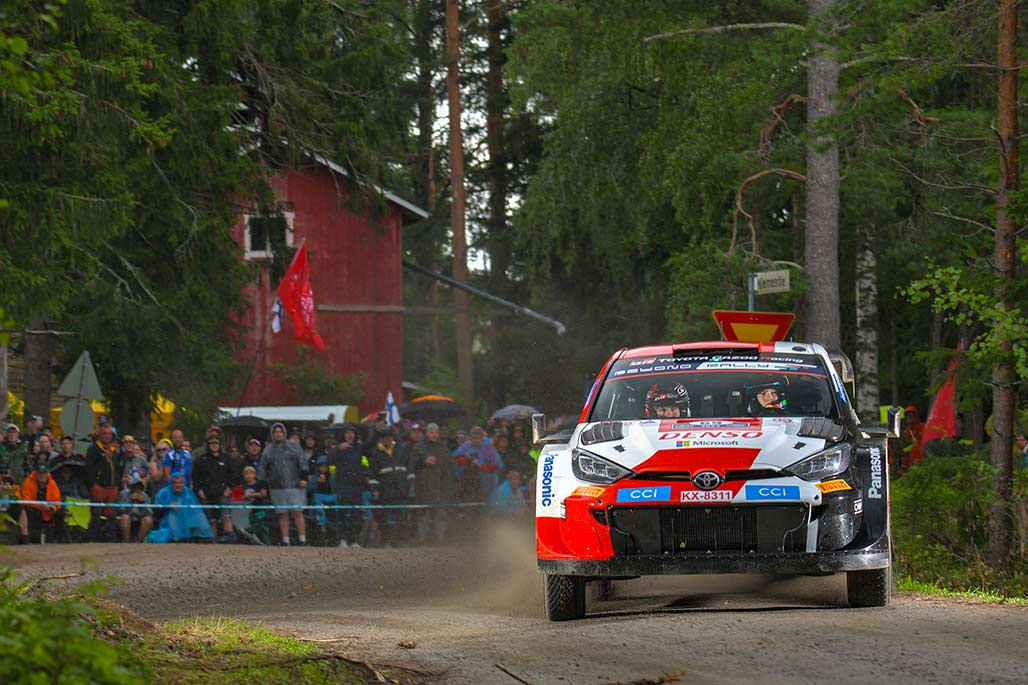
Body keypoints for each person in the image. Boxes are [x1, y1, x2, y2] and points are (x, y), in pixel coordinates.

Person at [258, 422, 308, 546]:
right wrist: (263, 485)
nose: (278, 434)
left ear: (284, 433)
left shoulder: (294, 446)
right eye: (275, 432)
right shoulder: (268, 450)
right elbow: (262, 469)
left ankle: (302, 539)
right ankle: (285, 540)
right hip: (276, 487)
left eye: (280, 431)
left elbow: (303, 463)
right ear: (272, 434)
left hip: (295, 485)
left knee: (298, 512)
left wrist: (303, 478)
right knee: (282, 514)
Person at [409, 422, 454, 545]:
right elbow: (412, 464)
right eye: (431, 432)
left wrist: (448, 486)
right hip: (423, 487)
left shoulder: (444, 448)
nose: (434, 435)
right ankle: (423, 540)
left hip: (440, 487)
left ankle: (439, 541)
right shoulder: (418, 447)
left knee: (440, 515)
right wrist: (424, 461)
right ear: (427, 433)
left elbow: (449, 467)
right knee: (423, 515)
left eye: (436, 432)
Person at [366, 427, 412, 546]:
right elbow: (372, 474)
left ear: (392, 438)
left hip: (400, 490)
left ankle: (401, 541)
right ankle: (386, 541)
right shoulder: (376, 453)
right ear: (381, 439)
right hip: (384, 491)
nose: (387, 439)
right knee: (383, 519)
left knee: (401, 517)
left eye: (389, 437)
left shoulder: (400, 450)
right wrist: (374, 489)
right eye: (384, 437)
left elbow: (408, 468)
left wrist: (411, 484)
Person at [328, 424, 370, 548]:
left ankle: (354, 540)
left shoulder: (359, 447)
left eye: (352, 432)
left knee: (356, 514)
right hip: (342, 485)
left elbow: (371, 444)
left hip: (357, 486)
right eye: (347, 433)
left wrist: (377, 429)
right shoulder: (338, 447)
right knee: (342, 513)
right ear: (343, 435)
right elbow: (329, 459)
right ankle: (342, 539)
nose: (350, 435)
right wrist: (338, 449)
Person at [84, 419, 124, 540]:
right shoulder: (93, 450)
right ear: (99, 434)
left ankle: (110, 540)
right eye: (104, 433)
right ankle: (91, 540)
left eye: (109, 434)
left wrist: (117, 485)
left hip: (112, 488)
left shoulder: (113, 451)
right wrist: (93, 486)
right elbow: (88, 470)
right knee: (96, 515)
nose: (107, 436)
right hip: (99, 487)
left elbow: (118, 469)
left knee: (111, 516)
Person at [149, 471, 213, 542]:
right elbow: (156, 513)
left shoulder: (188, 493)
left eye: (180, 483)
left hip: (189, 524)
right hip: (168, 525)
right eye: (175, 483)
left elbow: (197, 509)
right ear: (171, 483)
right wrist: (168, 507)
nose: (178, 485)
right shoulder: (163, 494)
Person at [192, 431, 235, 538]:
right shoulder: (201, 460)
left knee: (226, 516)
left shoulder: (227, 458)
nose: (214, 445)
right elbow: (195, 477)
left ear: (220, 444)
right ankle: (213, 543)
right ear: (208, 445)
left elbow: (234, 475)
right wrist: (199, 490)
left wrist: (229, 488)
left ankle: (230, 541)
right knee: (211, 520)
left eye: (216, 443)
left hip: (222, 493)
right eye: (211, 443)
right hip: (206, 494)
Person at [453, 426, 504, 501]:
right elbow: (455, 457)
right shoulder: (467, 445)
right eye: (473, 438)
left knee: (487, 504)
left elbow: (499, 466)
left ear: (482, 437)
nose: (475, 440)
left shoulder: (488, 447)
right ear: (470, 437)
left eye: (478, 438)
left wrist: (481, 465)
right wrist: (467, 459)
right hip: (469, 482)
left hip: (487, 482)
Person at [18, 461, 64, 544]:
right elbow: (25, 500)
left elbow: (57, 500)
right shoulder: (28, 482)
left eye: (44, 473)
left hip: (48, 510)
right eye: (40, 473)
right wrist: (40, 506)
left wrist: (53, 507)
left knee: (60, 512)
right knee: (25, 509)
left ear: (48, 473)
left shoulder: (52, 483)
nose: (42, 475)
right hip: (34, 510)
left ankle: (59, 538)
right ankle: (26, 539)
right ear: (35, 472)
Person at [117, 476, 153, 543]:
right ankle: (126, 541)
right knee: (125, 517)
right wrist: (130, 500)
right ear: (131, 487)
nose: (137, 489)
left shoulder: (145, 496)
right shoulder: (124, 494)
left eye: (139, 487)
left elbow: (150, 513)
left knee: (148, 519)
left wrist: (142, 503)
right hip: (127, 517)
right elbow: (120, 510)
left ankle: (138, 541)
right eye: (135, 487)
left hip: (139, 518)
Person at [307, 455, 336, 531]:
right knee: (316, 498)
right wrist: (318, 483)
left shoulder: (332, 477)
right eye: (321, 466)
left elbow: (336, 489)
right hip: (319, 498)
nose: (323, 468)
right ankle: (321, 522)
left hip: (331, 498)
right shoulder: (314, 477)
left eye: (325, 466)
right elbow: (309, 490)